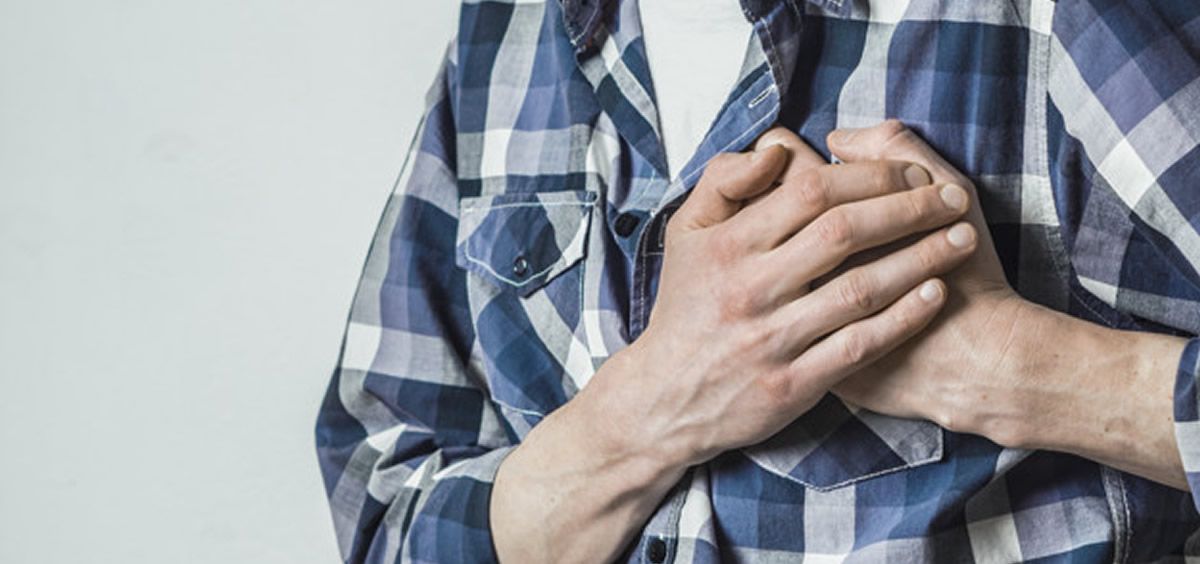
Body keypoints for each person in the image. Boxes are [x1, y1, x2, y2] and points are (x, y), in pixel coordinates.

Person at [315, 0, 1200, 561]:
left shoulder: (1063, 18)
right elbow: (381, 511)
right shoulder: (503, 37)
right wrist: (646, 410)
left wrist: (1021, 372)